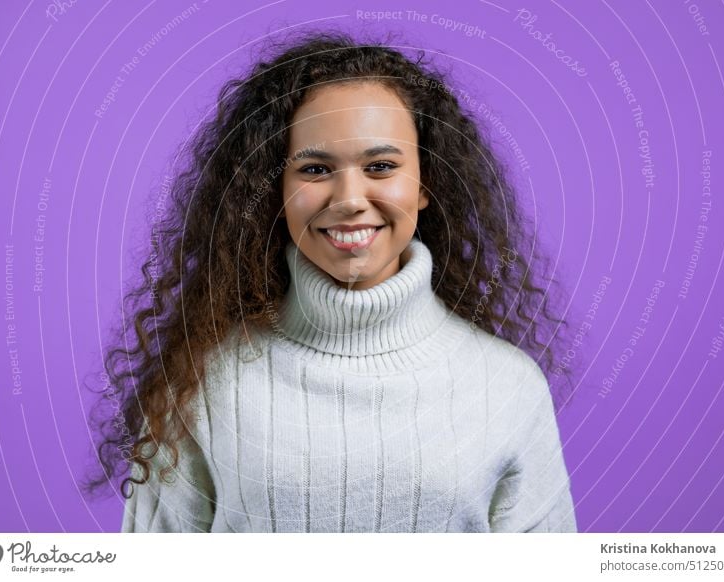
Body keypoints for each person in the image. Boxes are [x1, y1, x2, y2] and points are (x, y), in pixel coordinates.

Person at [85, 29, 578, 533]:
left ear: (425, 182)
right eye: (316, 168)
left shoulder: (507, 386)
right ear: (273, 188)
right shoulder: (198, 385)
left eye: (381, 166)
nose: (348, 198)